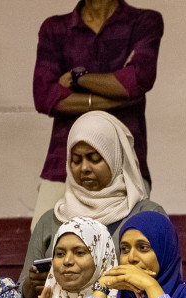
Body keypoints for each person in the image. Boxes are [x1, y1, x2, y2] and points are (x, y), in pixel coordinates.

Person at [31, 0, 163, 225]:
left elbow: (135, 82)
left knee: (125, 250)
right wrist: (117, 96)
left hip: (125, 167)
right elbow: (44, 97)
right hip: (63, 165)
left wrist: (76, 78)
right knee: (47, 251)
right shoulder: (55, 28)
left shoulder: (144, 21)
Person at [19, 111, 163, 298]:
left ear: (115, 158)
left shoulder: (146, 216)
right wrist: (30, 288)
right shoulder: (51, 221)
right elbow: (22, 296)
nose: (84, 168)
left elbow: (166, 283)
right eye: (76, 160)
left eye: (94, 158)